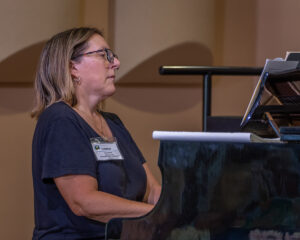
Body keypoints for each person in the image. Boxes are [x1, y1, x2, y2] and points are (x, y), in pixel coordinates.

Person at [31, 27, 161, 240]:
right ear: (73, 67)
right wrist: (156, 215)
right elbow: (84, 202)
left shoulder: (113, 122)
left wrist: (189, 207)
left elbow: (152, 191)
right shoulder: (60, 119)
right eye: (104, 55)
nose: (116, 63)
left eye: (113, 56)